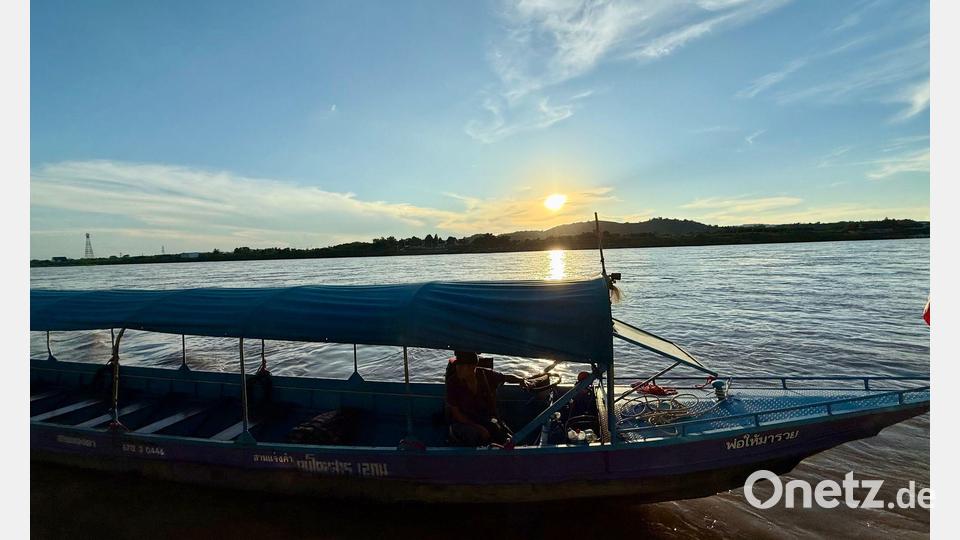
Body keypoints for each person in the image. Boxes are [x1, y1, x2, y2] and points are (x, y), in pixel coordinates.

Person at [445, 350, 528, 447]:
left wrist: (521, 380)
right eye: (457, 366)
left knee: (504, 435)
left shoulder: (485, 375)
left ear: (472, 367)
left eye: (461, 366)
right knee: (475, 435)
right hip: (462, 422)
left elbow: (505, 377)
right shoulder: (453, 383)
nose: (457, 369)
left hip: (484, 417)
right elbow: (457, 414)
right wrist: (479, 428)